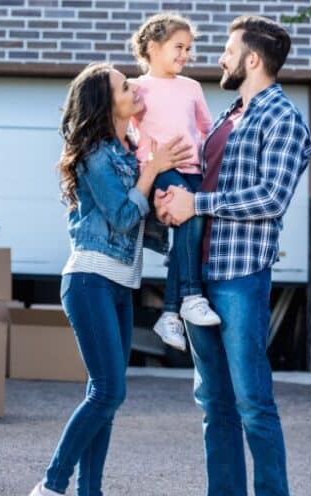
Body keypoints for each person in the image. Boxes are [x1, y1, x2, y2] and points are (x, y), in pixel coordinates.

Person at [155, 15, 311, 496]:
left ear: (252, 59)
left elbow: (270, 199)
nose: (218, 59)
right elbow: (197, 185)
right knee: (213, 399)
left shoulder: (284, 119)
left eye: (227, 50)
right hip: (201, 275)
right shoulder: (226, 116)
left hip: (241, 273)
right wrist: (171, 201)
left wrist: (196, 202)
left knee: (251, 397)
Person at [25, 62, 189, 496]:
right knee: (108, 390)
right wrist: (151, 172)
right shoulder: (96, 153)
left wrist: (162, 202)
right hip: (91, 280)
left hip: (119, 282)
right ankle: (52, 489)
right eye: (124, 86)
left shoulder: (129, 150)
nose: (134, 88)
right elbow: (119, 216)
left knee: (108, 394)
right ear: (105, 102)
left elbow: (141, 224)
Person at [129, 12, 220, 353]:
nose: (185, 55)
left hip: (193, 169)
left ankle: (169, 314)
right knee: (189, 219)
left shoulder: (192, 88)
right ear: (153, 47)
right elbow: (123, 128)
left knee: (190, 230)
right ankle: (191, 296)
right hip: (161, 169)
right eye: (178, 47)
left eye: (189, 49)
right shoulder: (136, 88)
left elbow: (207, 131)